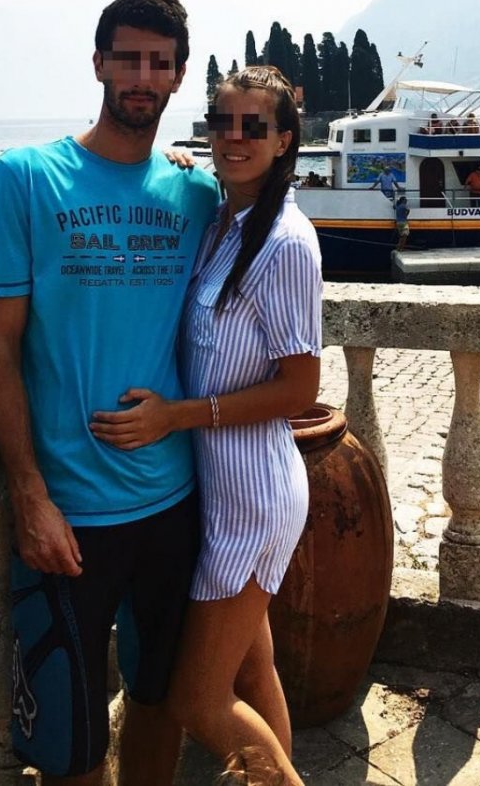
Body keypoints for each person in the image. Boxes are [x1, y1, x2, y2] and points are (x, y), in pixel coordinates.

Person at [0, 0, 220, 786]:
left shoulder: (196, 193)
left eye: (160, 62)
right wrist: (29, 496)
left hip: (175, 504)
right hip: (70, 517)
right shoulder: (26, 180)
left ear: (178, 75)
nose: (143, 76)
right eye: (129, 58)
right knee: (69, 748)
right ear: (99, 63)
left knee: (159, 703)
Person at [90, 66, 322, 786]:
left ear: (285, 140)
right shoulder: (224, 221)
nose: (235, 138)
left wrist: (177, 417)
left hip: (252, 498)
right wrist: (174, 168)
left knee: (196, 699)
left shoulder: (285, 243)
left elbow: (301, 388)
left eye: (255, 127)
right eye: (223, 123)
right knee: (252, 673)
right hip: (223, 491)